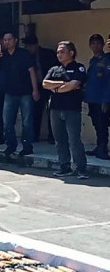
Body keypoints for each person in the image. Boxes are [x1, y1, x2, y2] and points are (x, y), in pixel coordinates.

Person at [42, 41, 88, 179]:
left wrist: (56, 88)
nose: (59, 54)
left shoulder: (78, 68)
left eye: (62, 51)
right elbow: (45, 84)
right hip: (55, 109)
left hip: (72, 109)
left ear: (71, 53)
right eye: (58, 52)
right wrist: (62, 84)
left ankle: (80, 168)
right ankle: (64, 166)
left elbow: (74, 84)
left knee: (74, 140)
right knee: (59, 139)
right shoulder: (54, 69)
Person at [0, 32, 39, 157]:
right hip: (9, 92)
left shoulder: (24, 54)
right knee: (7, 122)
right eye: (4, 40)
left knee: (27, 122)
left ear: (15, 40)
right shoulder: (2, 56)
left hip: (25, 92)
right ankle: (11, 145)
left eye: (9, 39)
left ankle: (27, 146)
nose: (6, 42)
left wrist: (35, 90)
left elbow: (32, 71)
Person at [23, 34, 58, 143]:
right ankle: (34, 135)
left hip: (49, 85)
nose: (28, 48)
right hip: (36, 86)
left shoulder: (48, 54)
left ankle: (52, 136)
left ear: (35, 45)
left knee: (51, 112)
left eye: (30, 46)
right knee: (35, 111)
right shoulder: (27, 56)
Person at [84, 34, 110, 160]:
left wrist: (106, 100)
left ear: (103, 44)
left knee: (102, 124)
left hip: (101, 99)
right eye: (93, 43)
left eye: (98, 43)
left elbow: (107, 81)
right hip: (92, 98)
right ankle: (99, 146)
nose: (95, 46)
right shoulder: (93, 60)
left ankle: (103, 148)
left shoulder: (106, 59)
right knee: (96, 124)